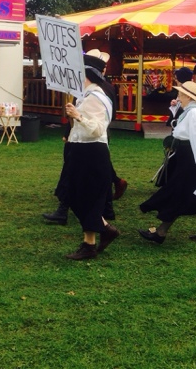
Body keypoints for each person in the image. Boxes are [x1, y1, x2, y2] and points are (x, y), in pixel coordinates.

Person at [42, 49, 127, 225]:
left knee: (84, 182)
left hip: (91, 142)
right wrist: (71, 125)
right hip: (84, 140)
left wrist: (77, 117)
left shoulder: (97, 93)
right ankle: (101, 217)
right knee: (88, 180)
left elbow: (98, 125)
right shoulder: (90, 91)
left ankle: (97, 220)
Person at [138, 81, 196, 243]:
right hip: (189, 155)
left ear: (188, 97)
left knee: (180, 192)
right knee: (195, 192)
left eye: (181, 94)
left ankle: (161, 232)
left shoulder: (194, 114)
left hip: (191, 156)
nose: (178, 97)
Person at [64, 52, 120, 260]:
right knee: (76, 196)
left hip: (92, 151)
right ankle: (103, 230)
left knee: (85, 197)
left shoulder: (96, 97)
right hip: (82, 149)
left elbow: (97, 130)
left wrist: (78, 116)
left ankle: (90, 244)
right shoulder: (86, 96)